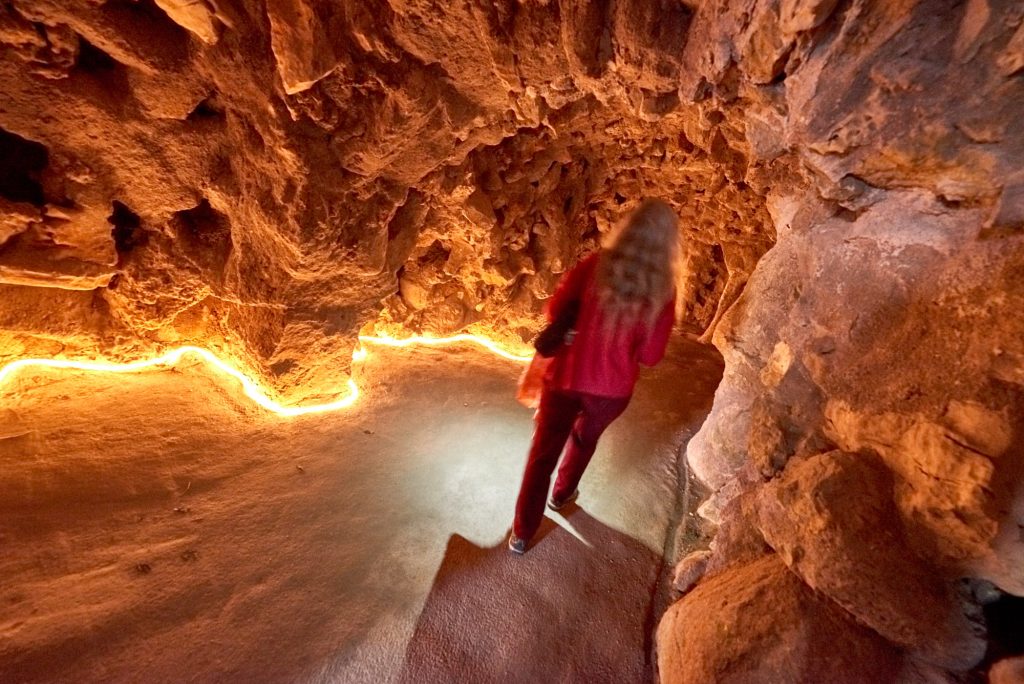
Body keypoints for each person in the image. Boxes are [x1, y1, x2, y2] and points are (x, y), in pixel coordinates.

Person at [509, 198, 680, 554]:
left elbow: (554, 309)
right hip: (611, 392)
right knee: (584, 441)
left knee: (542, 454)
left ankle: (522, 533)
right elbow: (651, 356)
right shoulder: (663, 292)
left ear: (628, 227)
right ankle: (561, 495)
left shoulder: (594, 265)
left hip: (567, 377)